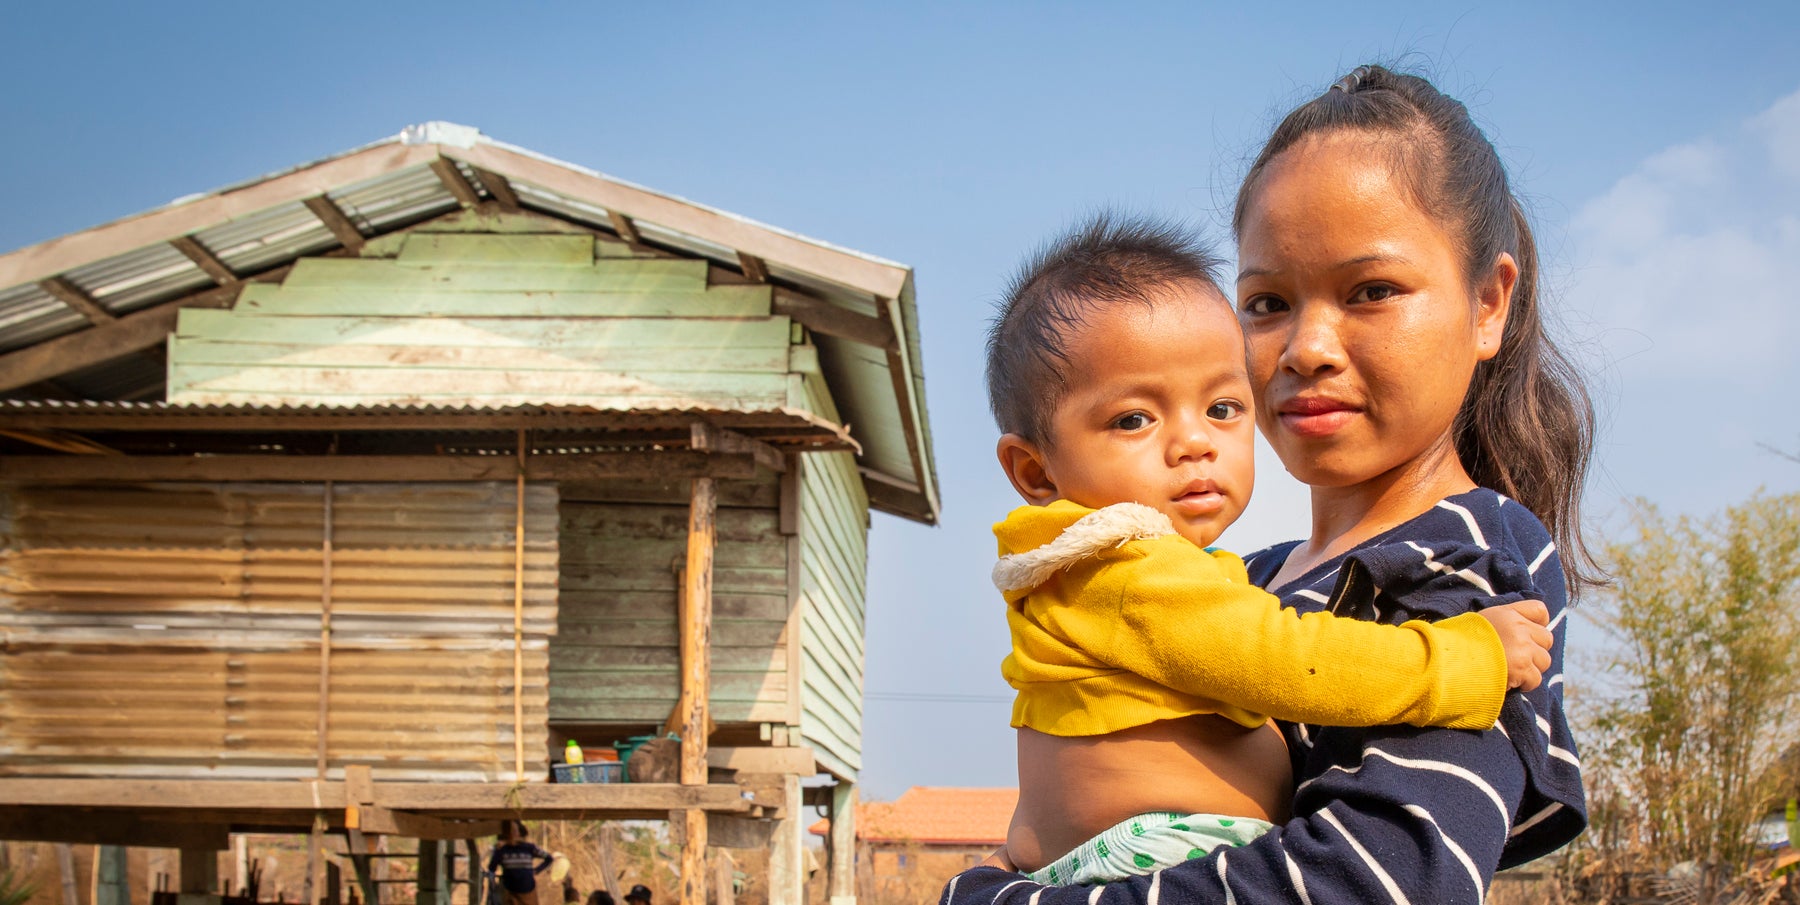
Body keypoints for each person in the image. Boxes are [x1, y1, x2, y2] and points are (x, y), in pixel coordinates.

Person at [945, 63, 1590, 903]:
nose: (1306, 347)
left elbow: (1372, 885)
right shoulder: (1242, 574)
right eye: (1266, 302)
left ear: (1488, 304)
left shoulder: (1473, 565)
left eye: (1371, 290)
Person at [486, 822, 554, 905]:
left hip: (528, 893)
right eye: (510, 832)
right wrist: (497, 850)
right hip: (510, 893)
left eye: (515, 831)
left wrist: (537, 870)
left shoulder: (528, 848)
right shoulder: (503, 850)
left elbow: (549, 858)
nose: (513, 834)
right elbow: (491, 868)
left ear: (519, 833)